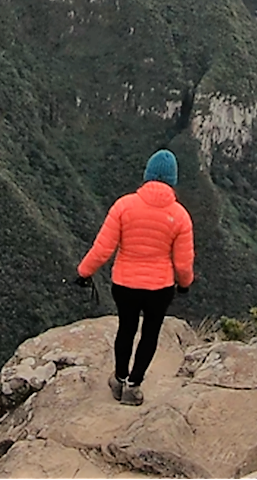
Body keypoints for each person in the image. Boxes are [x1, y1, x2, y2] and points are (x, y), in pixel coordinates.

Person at [76, 148, 195, 406]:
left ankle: (118, 379)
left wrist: (84, 273)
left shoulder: (124, 206)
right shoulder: (181, 216)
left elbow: (102, 248)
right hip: (160, 287)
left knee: (126, 329)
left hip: (125, 284)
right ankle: (134, 386)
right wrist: (184, 284)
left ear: (147, 175)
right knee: (150, 334)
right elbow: (183, 263)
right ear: (172, 180)